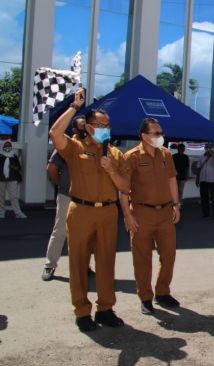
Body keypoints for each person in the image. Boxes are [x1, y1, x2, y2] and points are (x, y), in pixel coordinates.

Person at [49, 88, 130, 332]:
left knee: (106, 262)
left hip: (107, 212)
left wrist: (112, 170)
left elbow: (126, 187)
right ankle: (82, 311)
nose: (106, 127)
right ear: (90, 126)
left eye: (108, 123)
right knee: (79, 261)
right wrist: (74, 107)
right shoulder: (75, 148)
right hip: (81, 211)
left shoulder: (115, 153)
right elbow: (55, 133)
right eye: (101, 123)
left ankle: (105, 309)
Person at [119, 118, 181, 315]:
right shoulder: (132, 156)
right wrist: (127, 215)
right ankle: (145, 297)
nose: (160, 136)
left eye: (161, 132)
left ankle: (162, 292)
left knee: (169, 254)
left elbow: (172, 180)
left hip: (165, 213)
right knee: (142, 258)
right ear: (144, 136)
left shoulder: (165, 155)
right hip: (141, 213)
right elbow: (123, 189)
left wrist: (176, 204)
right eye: (156, 133)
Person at [42, 117, 95, 281]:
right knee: (60, 231)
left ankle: (84, 265)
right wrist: (61, 185)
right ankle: (50, 265)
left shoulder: (93, 146)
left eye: (87, 125)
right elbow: (51, 169)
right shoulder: (66, 146)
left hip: (88, 198)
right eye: (81, 127)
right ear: (74, 130)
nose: (85, 129)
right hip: (68, 196)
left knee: (86, 234)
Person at [0, 140, 27, 219]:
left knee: (14, 196)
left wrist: (13, 166)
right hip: (1, 179)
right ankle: (1, 212)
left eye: (9, 146)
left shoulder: (13, 156)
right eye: (6, 146)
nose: (7, 147)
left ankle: (18, 213)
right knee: (0, 197)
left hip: (12, 178)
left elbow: (18, 167)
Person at [196, 142, 214, 221]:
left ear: (213, 148)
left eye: (210, 147)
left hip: (212, 180)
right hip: (203, 180)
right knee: (204, 198)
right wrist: (197, 179)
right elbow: (198, 168)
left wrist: (212, 154)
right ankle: (206, 214)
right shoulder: (201, 156)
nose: (208, 149)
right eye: (206, 147)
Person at [172, 143, 189, 207]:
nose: (182, 150)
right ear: (178, 149)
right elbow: (171, 166)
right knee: (175, 190)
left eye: (183, 149)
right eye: (181, 148)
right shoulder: (174, 156)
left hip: (182, 176)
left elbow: (187, 167)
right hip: (174, 176)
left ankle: (179, 203)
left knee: (180, 190)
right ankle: (174, 202)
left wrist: (187, 175)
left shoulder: (186, 157)